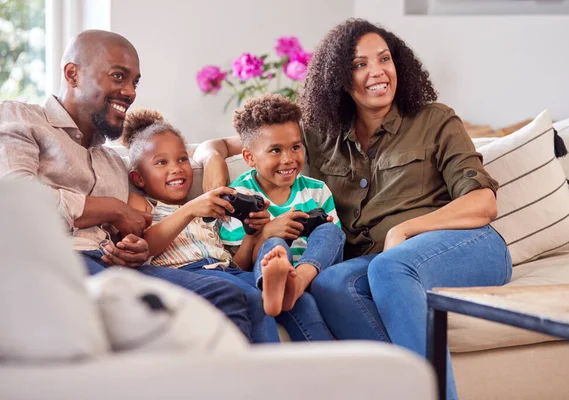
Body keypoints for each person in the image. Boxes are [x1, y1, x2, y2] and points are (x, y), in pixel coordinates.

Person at [196, 19, 512, 399]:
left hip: (467, 245)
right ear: (340, 79)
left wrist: (405, 230)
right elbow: (220, 145)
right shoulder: (316, 133)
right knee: (331, 281)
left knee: (391, 264)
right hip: (376, 261)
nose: (377, 71)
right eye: (360, 64)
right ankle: (400, 388)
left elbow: (483, 202)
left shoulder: (435, 120)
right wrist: (213, 167)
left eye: (384, 59)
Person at [0, 30, 252, 340]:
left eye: (134, 82)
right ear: (73, 74)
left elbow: (128, 237)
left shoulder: (114, 163)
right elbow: (18, 203)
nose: (130, 92)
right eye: (118, 76)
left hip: (113, 267)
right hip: (56, 261)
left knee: (224, 293)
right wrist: (114, 209)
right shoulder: (20, 118)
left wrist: (134, 248)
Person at [122, 108, 279, 343]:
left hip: (228, 272)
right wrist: (191, 209)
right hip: (185, 275)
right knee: (252, 297)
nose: (176, 168)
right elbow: (144, 247)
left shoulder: (208, 209)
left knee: (282, 296)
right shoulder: (142, 204)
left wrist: (251, 234)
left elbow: (236, 265)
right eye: (161, 162)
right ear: (138, 179)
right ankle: (253, 372)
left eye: (182, 158)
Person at [221, 94, 345, 331]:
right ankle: (280, 286)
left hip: (315, 273)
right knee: (276, 244)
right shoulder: (240, 197)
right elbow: (237, 267)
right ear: (249, 157)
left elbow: (334, 246)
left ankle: (295, 283)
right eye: (275, 150)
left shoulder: (316, 190)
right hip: (269, 285)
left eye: (295, 147)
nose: (288, 159)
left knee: (330, 230)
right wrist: (265, 233)